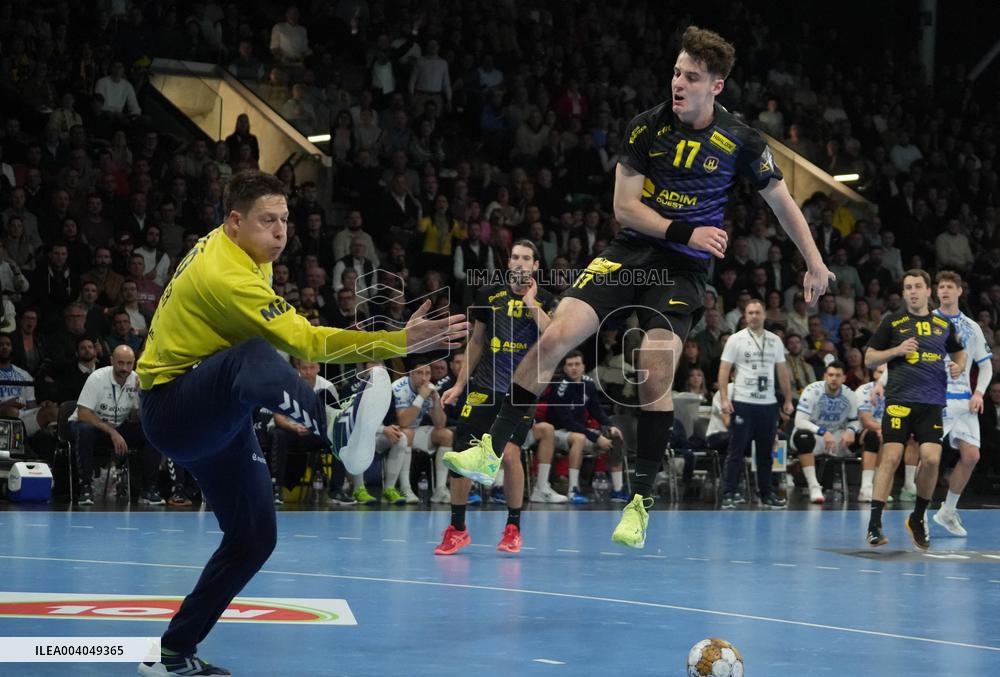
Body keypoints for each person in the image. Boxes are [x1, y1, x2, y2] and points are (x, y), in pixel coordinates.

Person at [442, 26, 832, 549]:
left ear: (715, 86)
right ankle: (491, 448)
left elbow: (783, 204)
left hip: (683, 272)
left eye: (691, 77)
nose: (678, 83)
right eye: (675, 72)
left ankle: (640, 501)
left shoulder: (742, 140)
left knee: (653, 369)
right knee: (555, 335)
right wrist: (685, 229)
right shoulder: (647, 128)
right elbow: (624, 207)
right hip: (632, 252)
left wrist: (814, 262)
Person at [134, 171, 466, 676]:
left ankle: (173, 655)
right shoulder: (228, 275)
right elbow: (308, 344)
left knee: (253, 539)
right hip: (173, 409)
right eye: (269, 221)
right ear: (235, 221)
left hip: (218, 413)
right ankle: (332, 424)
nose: (281, 231)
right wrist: (399, 342)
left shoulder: (244, 252)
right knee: (254, 352)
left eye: (285, 220)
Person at [438, 240, 557, 554]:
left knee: (510, 454)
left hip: (522, 390)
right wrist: (461, 385)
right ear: (509, 264)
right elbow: (476, 342)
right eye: (515, 257)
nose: (519, 262)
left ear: (535, 267)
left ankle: (513, 527)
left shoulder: (546, 299)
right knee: (462, 453)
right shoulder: (488, 296)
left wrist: (532, 304)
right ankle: (457, 528)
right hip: (484, 387)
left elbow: (555, 336)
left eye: (526, 258)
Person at [864, 269, 965, 550]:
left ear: (928, 290)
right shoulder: (893, 321)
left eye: (918, 286)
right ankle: (874, 523)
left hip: (931, 403)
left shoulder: (943, 324)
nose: (912, 291)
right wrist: (895, 351)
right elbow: (870, 358)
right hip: (899, 400)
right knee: (892, 456)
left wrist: (960, 365)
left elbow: (958, 351)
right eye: (908, 287)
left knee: (932, 459)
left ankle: (918, 518)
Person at [929, 272, 992, 536]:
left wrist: (978, 393)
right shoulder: (927, 321)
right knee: (929, 459)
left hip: (964, 402)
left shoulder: (972, 327)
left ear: (959, 291)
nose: (944, 291)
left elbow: (986, 366)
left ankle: (947, 511)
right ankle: (919, 513)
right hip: (934, 399)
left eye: (949, 287)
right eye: (940, 287)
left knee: (971, 456)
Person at [717, 300, 794, 508]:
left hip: (768, 404)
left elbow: (782, 371)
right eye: (750, 313)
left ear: (764, 315)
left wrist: (787, 399)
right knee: (736, 449)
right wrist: (724, 398)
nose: (753, 316)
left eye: (757, 312)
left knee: (766, 452)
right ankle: (729, 492)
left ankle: (766, 493)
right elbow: (724, 370)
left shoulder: (775, 340)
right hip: (743, 401)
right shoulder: (736, 339)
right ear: (745, 315)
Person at [69, 345, 164, 506]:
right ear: (111, 360)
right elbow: (83, 413)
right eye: (120, 363)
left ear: (134, 363)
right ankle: (86, 488)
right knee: (85, 430)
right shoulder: (97, 378)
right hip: (89, 425)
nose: (124, 368)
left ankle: (149, 489)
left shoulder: (136, 380)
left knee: (152, 433)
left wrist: (143, 395)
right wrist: (112, 432)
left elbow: (136, 418)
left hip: (118, 427)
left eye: (129, 364)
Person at [789, 362, 861, 504]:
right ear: (825, 377)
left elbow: (855, 421)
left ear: (844, 378)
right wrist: (823, 432)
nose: (834, 378)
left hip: (836, 435)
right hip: (812, 433)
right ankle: (814, 486)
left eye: (838, 375)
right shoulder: (811, 390)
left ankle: (866, 489)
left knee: (868, 436)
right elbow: (799, 421)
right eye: (831, 375)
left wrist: (851, 430)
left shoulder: (850, 395)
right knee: (804, 437)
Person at [856, 363, 887, 502]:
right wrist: (883, 428)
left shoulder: (899, 391)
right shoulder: (864, 390)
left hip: (887, 430)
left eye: (887, 373)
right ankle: (866, 487)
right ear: (874, 374)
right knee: (873, 435)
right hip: (861, 431)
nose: (884, 377)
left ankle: (909, 486)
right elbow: (866, 421)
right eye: (880, 372)